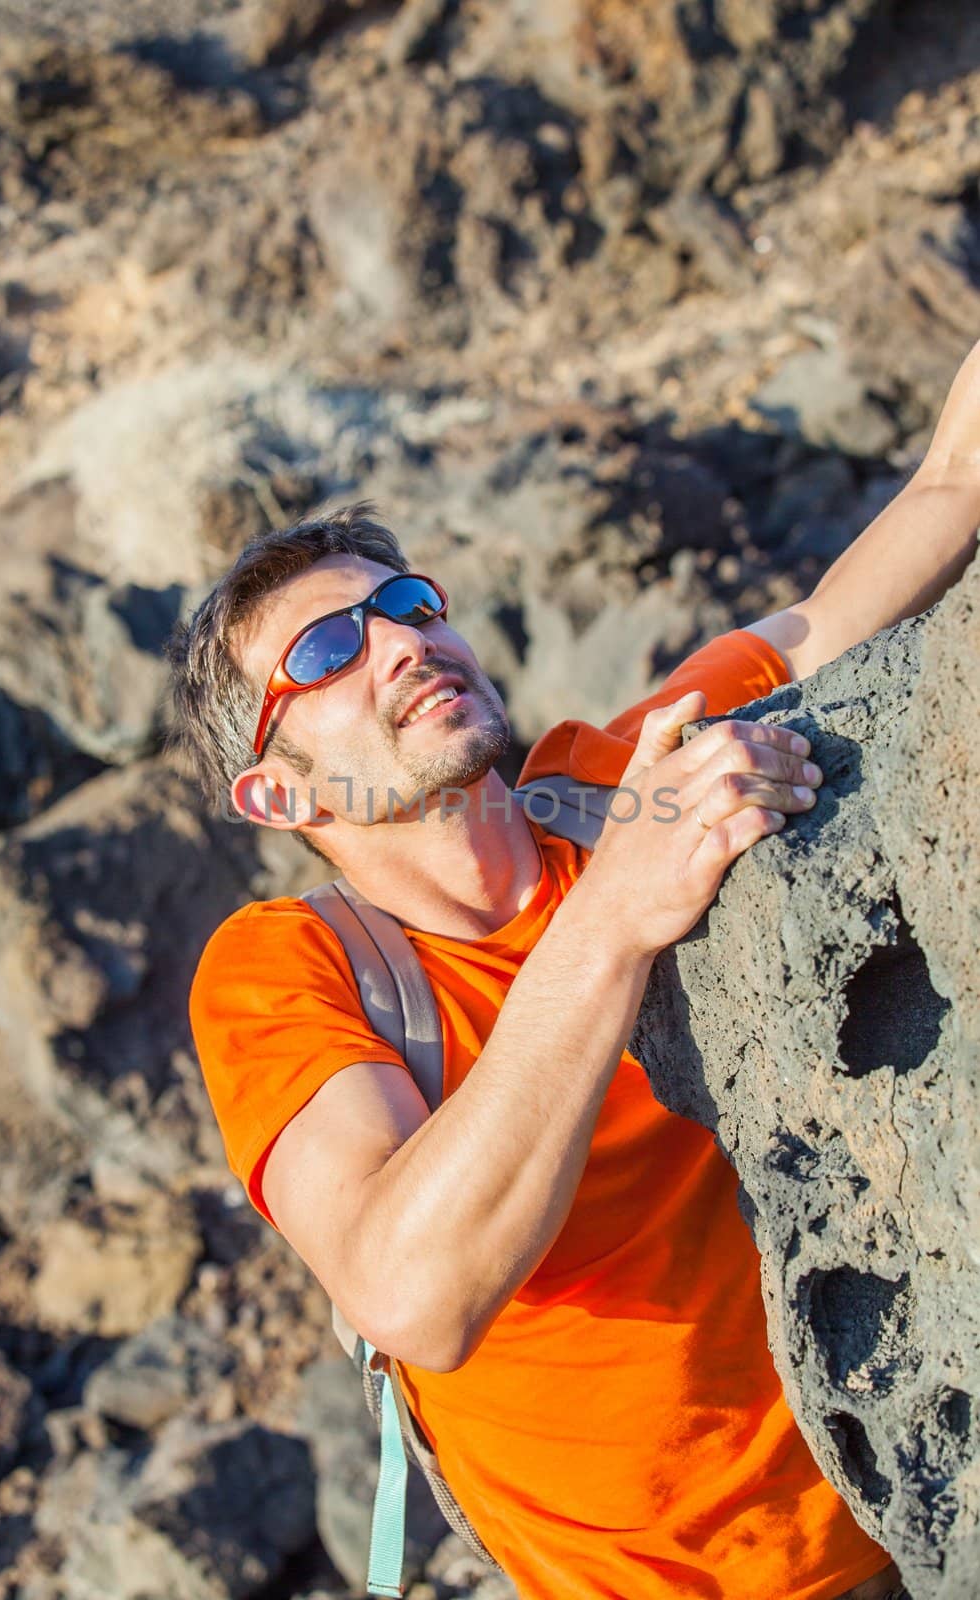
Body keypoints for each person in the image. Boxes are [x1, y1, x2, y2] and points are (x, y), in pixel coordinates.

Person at [169, 341, 979, 1600]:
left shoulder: (614, 780)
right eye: (326, 653)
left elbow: (919, 516)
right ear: (275, 790)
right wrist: (611, 914)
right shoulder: (288, 971)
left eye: (407, 604)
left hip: (912, 1495)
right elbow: (409, 1292)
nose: (398, 642)